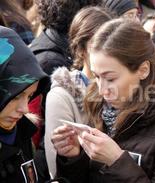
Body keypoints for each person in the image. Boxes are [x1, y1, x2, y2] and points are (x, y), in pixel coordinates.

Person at [51, 18, 155, 183]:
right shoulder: (101, 108)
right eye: (96, 77)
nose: (101, 90)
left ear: (143, 70)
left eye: (111, 79)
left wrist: (117, 161)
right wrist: (73, 158)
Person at [44, 6, 112, 178]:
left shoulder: (123, 86)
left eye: (111, 41)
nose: (106, 49)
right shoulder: (62, 96)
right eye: (96, 43)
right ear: (80, 49)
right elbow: (57, 168)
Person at [0, 26, 49, 182]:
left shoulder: (20, 131)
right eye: (15, 96)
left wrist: (68, 158)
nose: (25, 109)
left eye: (29, 96)